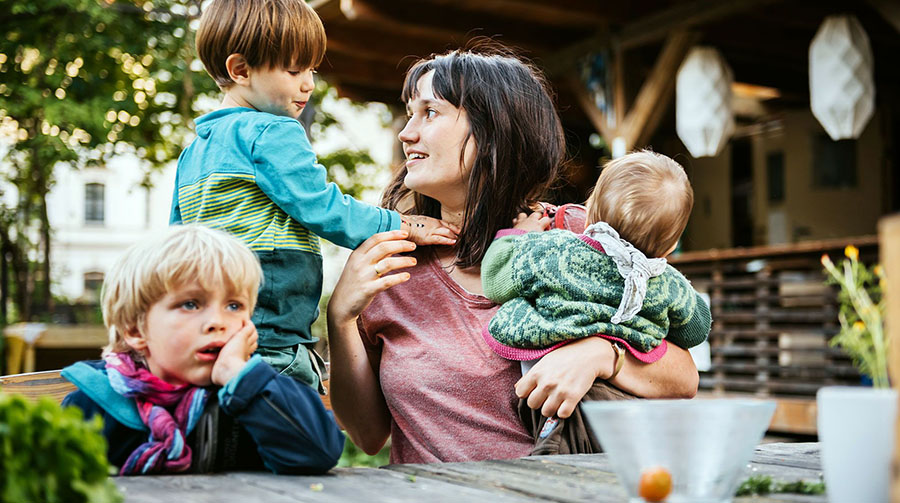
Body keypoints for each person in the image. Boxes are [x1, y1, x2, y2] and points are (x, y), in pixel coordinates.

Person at [327, 47, 700, 465]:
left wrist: (602, 355)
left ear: (493, 131)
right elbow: (367, 434)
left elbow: (683, 377)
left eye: (430, 112)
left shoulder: (583, 236)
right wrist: (341, 317)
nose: (406, 132)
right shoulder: (392, 261)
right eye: (409, 113)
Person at [171, 0, 457, 392]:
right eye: (294, 70)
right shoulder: (273, 132)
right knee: (294, 436)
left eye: (311, 69)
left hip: (212, 332)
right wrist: (402, 224)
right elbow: (321, 206)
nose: (308, 83)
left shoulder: (195, 149)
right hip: (270, 338)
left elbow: (175, 241)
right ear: (240, 70)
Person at [480, 150, 712, 455]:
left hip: (556, 397)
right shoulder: (666, 283)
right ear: (671, 243)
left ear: (589, 210)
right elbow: (696, 328)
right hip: (628, 401)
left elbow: (496, 275)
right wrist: (669, 279)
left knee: (559, 454)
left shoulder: (554, 251)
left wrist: (518, 233)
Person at [62, 225, 344, 475]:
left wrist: (239, 375)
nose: (217, 322)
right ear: (136, 330)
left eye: (233, 306)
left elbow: (318, 452)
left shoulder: (253, 395)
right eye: (191, 304)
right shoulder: (93, 406)